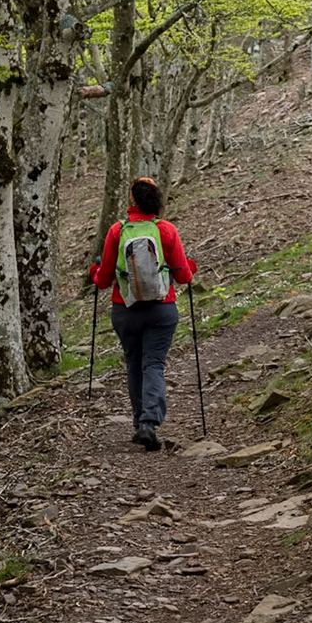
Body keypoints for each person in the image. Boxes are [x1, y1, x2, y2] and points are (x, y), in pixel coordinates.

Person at [90, 177, 196, 451]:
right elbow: (184, 276)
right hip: (162, 309)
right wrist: (190, 268)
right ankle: (149, 422)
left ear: (132, 200)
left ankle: (139, 424)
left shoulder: (117, 231)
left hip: (125, 309)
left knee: (134, 364)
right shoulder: (167, 230)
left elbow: (103, 280)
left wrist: (95, 273)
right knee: (154, 364)